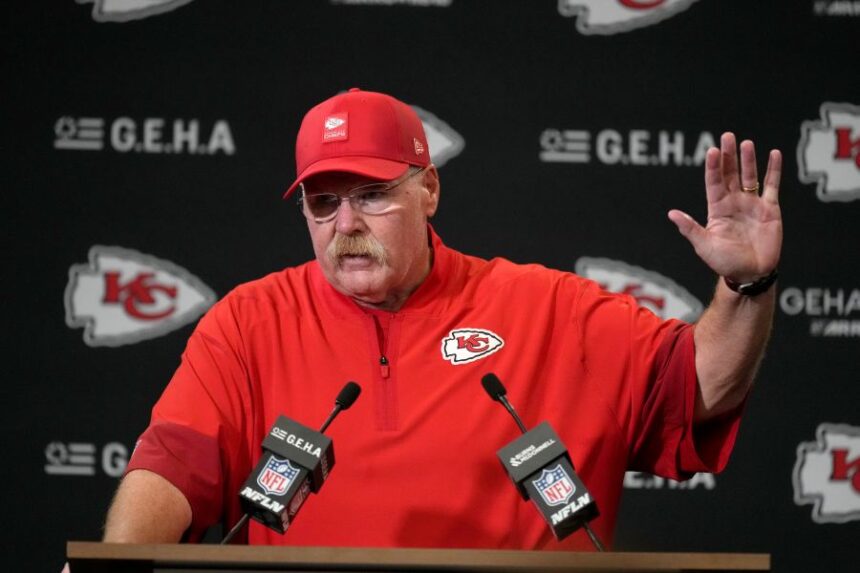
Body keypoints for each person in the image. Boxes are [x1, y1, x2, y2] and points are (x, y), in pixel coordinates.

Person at [101, 88, 783, 550]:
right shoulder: (248, 323)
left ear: (428, 189)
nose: (346, 224)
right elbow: (171, 468)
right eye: (323, 202)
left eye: (372, 194)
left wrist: (746, 284)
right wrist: (114, 566)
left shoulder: (550, 309)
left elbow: (701, 387)